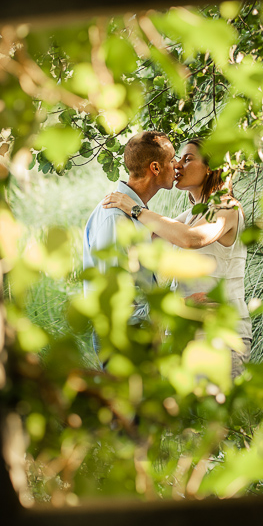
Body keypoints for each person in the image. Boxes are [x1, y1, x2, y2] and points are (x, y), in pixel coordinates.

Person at [102, 138, 252, 380]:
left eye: (188, 159)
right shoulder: (192, 215)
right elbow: (150, 241)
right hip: (188, 335)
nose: (178, 165)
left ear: (211, 167)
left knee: (214, 417)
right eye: (178, 159)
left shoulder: (226, 207)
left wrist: (136, 209)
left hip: (220, 336)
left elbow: (191, 238)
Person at [82, 131, 177, 358]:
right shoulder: (115, 218)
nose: (176, 166)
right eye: (172, 160)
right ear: (155, 168)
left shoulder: (134, 213)